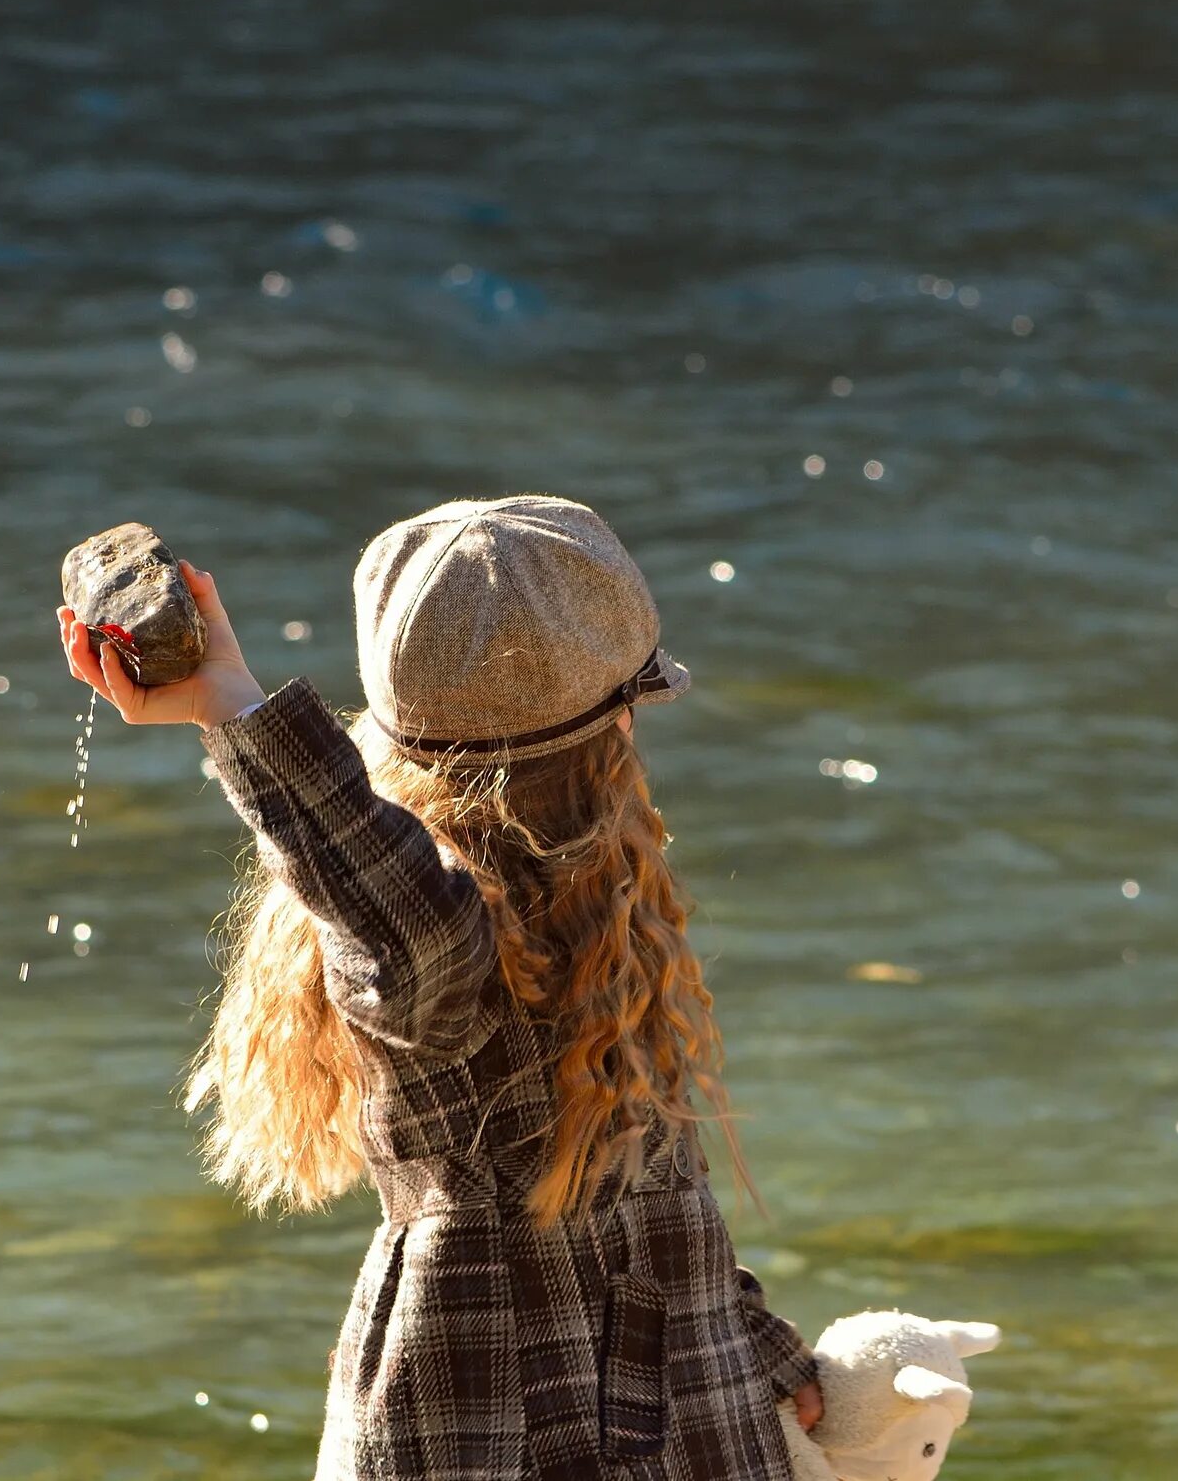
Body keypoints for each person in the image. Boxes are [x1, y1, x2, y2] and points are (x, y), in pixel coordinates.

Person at [57, 495, 823, 1481]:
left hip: (682, 1414)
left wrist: (756, 1344)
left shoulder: (603, 923)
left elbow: (649, 1192)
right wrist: (230, 704)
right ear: (615, 726)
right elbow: (380, 886)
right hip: (482, 1427)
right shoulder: (441, 946)